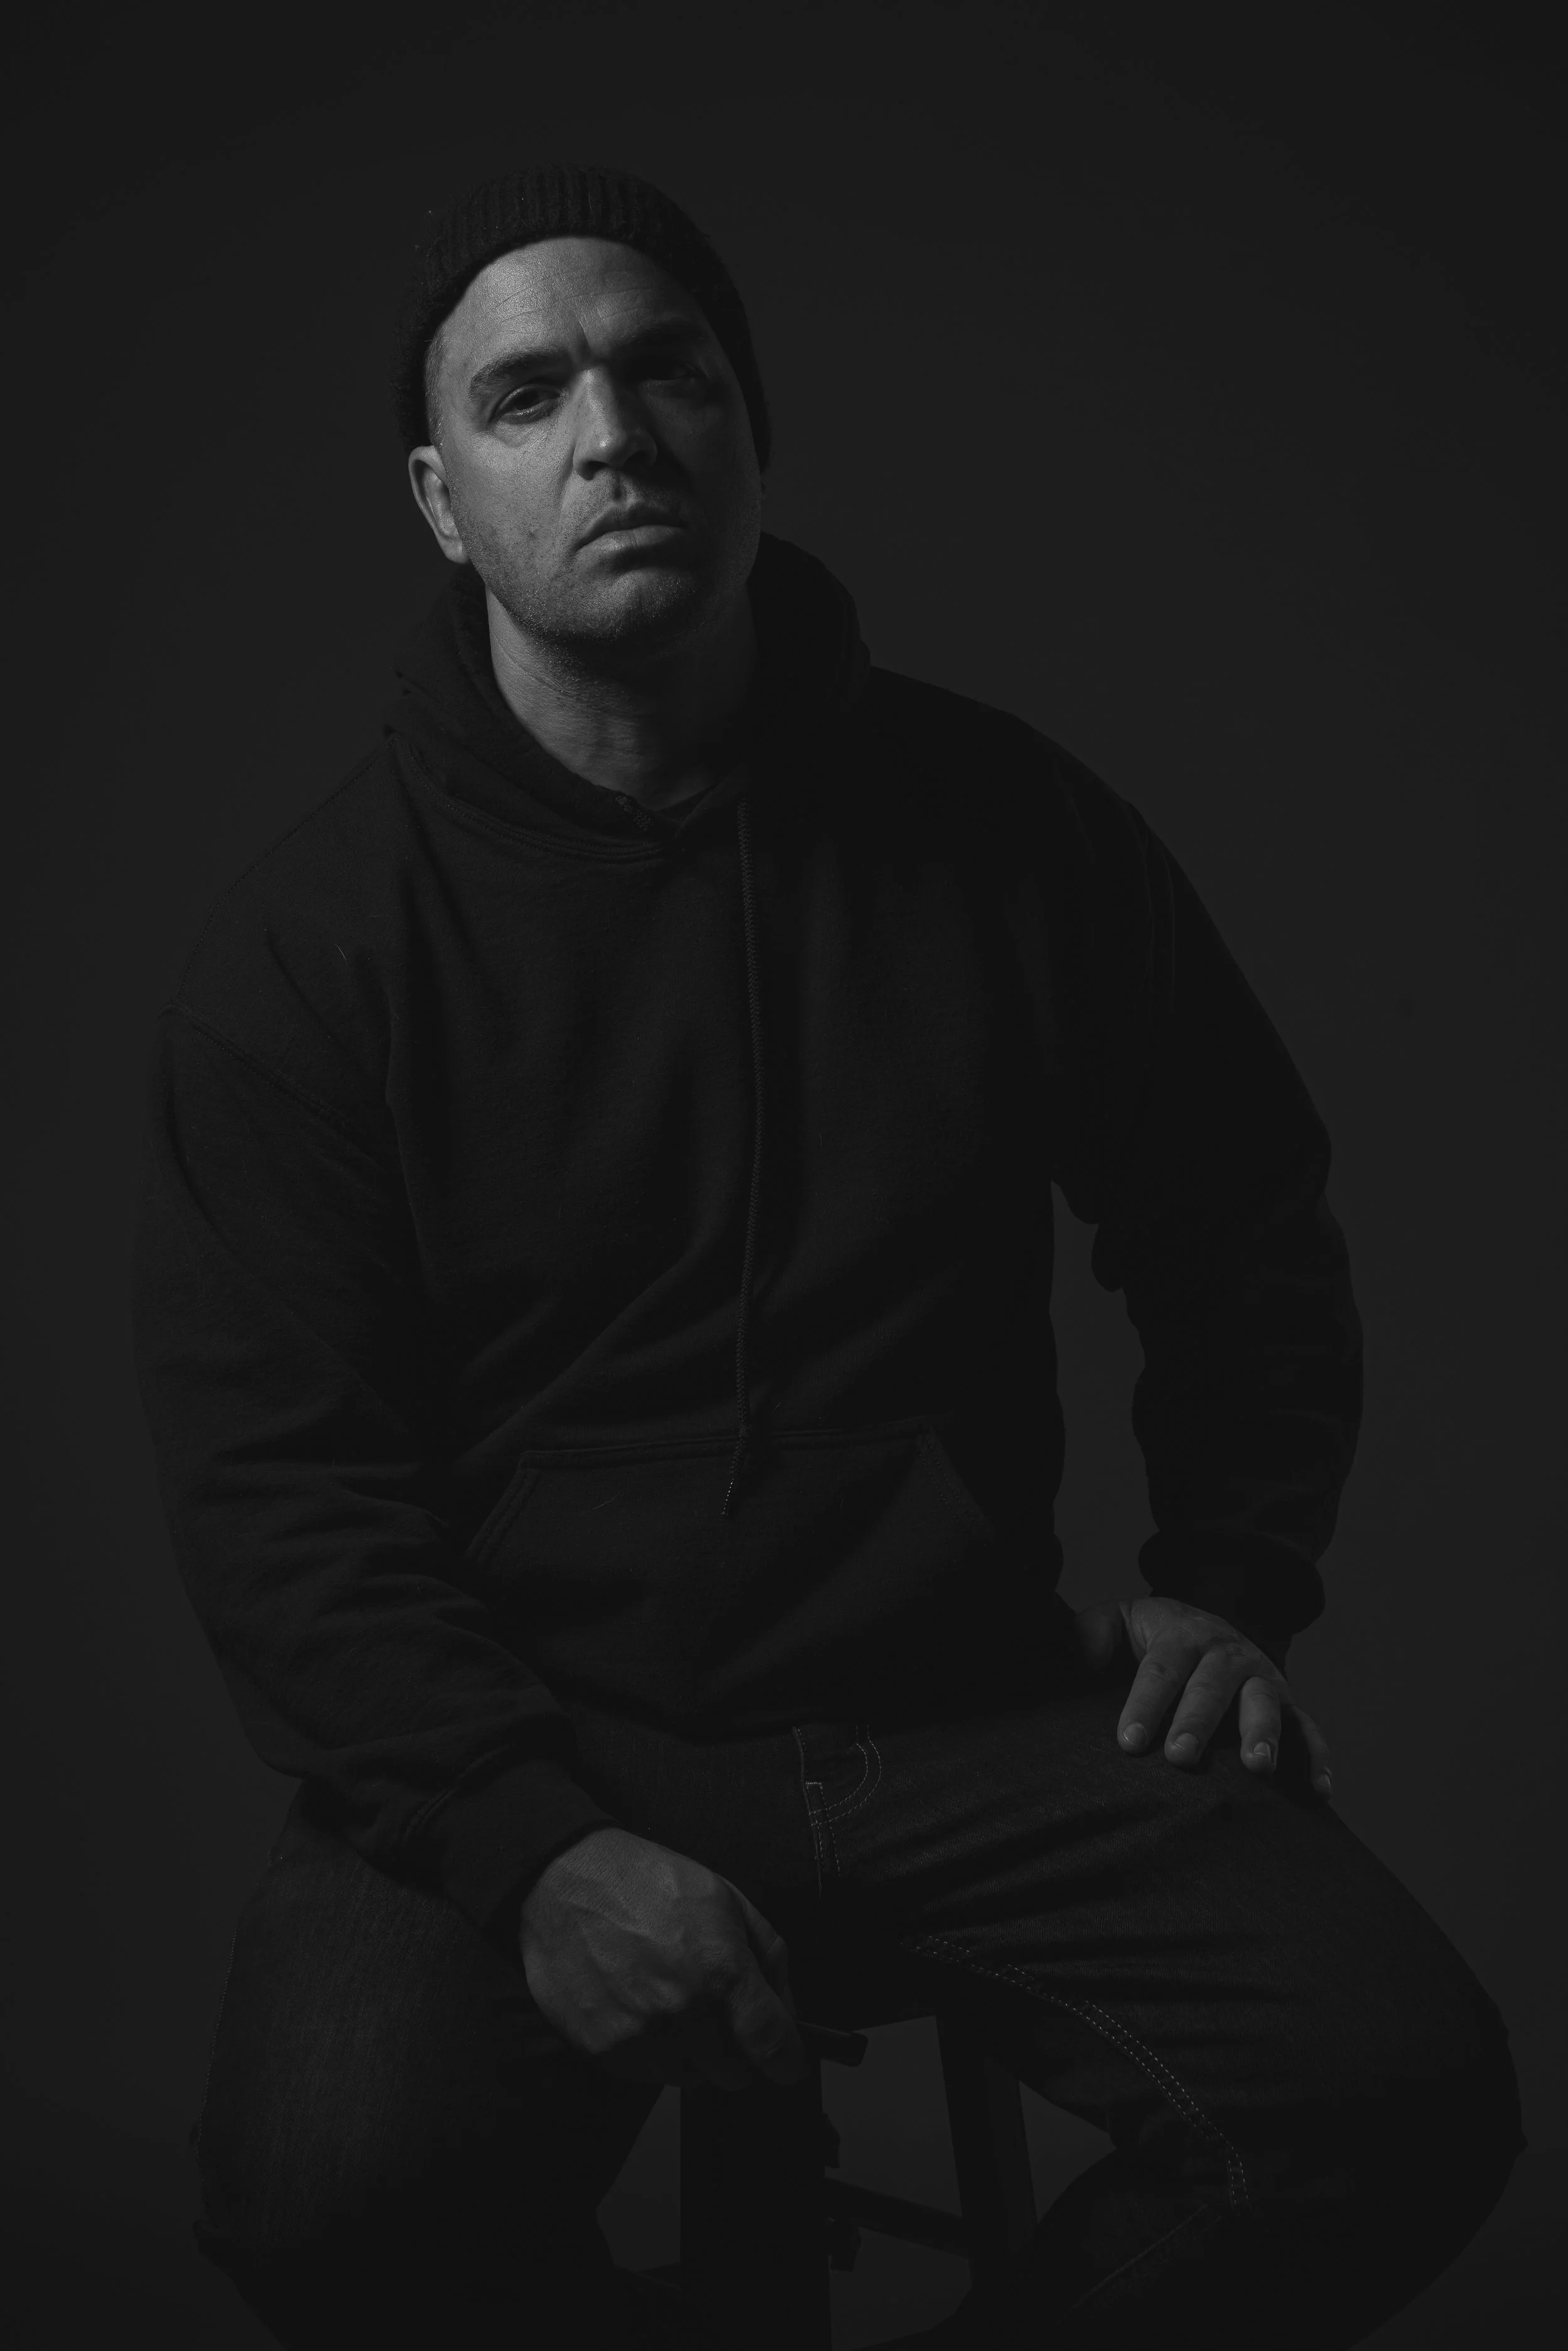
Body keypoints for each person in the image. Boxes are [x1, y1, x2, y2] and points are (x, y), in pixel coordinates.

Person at [132, 164, 1522, 2350]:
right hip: (539, 1728)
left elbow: (1240, 1205)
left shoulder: (1007, 829)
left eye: (666, 368)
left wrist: (1233, 1566)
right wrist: (532, 1846)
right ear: (441, 495)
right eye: (528, 394)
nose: (614, 432)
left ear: (748, 432)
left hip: (960, 1705)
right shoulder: (312, 959)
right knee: (326, 2208)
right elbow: (281, 1490)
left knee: (1401, 2097)